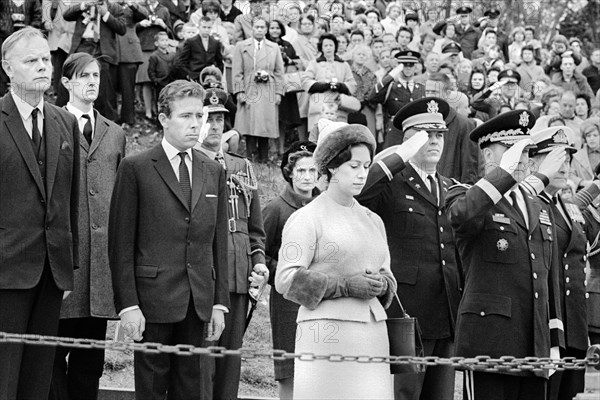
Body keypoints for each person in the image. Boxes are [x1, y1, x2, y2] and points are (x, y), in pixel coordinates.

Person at [108, 80, 229, 399]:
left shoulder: (212, 170)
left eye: (198, 116)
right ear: (163, 119)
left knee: (192, 389)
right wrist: (128, 305)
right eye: (185, 116)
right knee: (150, 390)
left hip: (198, 302)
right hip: (151, 302)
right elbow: (120, 243)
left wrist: (219, 301)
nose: (195, 124)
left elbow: (218, 242)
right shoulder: (136, 168)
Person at [445, 110, 566, 400]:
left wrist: (552, 340)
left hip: (532, 345)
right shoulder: (466, 194)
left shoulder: (536, 205)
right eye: (514, 151)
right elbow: (461, 217)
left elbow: (547, 278)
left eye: (526, 152)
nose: (523, 160)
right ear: (488, 156)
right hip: (490, 342)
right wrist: (504, 175)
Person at [275, 123, 397, 400]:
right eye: (354, 166)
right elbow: (286, 280)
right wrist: (344, 286)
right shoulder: (307, 218)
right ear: (331, 167)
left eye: (366, 166)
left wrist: (382, 284)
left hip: (373, 334)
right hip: (326, 336)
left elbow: (388, 274)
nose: (362, 174)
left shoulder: (372, 220)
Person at [357, 98, 461, 400]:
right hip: (405, 312)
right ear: (409, 140)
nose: (435, 141)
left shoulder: (448, 185)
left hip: (445, 311)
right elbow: (360, 194)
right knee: (404, 394)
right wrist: (397, 157)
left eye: (439, 134)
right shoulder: (392, 182)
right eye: (426, 135)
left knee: (440, 396)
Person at [0, 27, 80, 399]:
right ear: (7, 68)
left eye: (45, 59)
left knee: (38, 378)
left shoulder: (65, 122)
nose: (41, 67)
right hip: (5, 272)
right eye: (30, 60)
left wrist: (69, 265)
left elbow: (70, 197)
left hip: (51, 271)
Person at [49, 52, 126, 400]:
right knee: (49, 359)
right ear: (66, 83)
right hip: (63, 264)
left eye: (95, 75)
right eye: (83, 76)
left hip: (99, 270)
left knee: (89, 362)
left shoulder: (115, 134)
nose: (92, 82)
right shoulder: (51, 124)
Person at [194, 88, 268, 400]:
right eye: (209, 118)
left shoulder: (241, 167)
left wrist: (259, 262)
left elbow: (255, 228)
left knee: (230, 362)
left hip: (238, 276)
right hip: (204, 276)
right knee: (201, 361)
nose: (215, 125)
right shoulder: (190, 162)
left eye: (221, 118)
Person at [529, 125, 600, 400]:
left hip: (575, 324)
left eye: (567, 159)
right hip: (549, 324)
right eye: (555, 157)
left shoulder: (568, 207)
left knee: (573, 393)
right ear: (535, 162)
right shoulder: (531, 204)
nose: (564, 165)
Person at [263, 140, 320, 400]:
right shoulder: (276, 209)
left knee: (319, 367)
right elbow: (259, 251)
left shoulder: (326, 207)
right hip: (288, 300)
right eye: (301, 171)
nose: (307, 177)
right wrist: (287, 276)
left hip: (322, 298)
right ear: (289, 172)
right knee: (290, 369)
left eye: (312, 170)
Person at [63, 0, 127, 121]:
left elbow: (122, 29)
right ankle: (69, 120)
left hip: (102, 50)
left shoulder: (115, 8)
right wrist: (83, 5)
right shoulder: (84, 4)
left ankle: (105, 124)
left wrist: (105, 14)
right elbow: (66, 15)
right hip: (82, 46)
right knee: (75, 84)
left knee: (104, 90)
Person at [232, 15, 284, 163]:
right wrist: (239, 91)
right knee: (249, 124)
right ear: (252, 29)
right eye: (257, 27)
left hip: (268, 89)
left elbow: (280, 71)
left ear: (266, 29)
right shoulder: (242, 46)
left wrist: (279, 92)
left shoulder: (273, 47)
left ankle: (264, 158)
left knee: (265, 124)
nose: (259, 30)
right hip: (249, 88)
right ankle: (249, 157)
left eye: (262, 27)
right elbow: (237, 71)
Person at [369, 51, 425, 145]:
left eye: (411, 65)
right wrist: (392, 75)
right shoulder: (391, 87)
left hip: (415, 133)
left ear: (415, 67)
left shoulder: (421, 88)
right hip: (395, 133)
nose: (407, 68)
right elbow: (372, 96)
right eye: (404, 65)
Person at [302, 33, 356, 129]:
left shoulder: (343, 64)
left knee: (338, 135)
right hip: (319, 105)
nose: (328, 48)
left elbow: (352, 84)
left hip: (338, 106)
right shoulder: (314, 63)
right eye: (325, 45)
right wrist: (324, 86)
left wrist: (340, 86)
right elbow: (305, 81)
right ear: (321, 48)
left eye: (331, 45)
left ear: (335, 47)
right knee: (318, 136)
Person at [116, 0, 148, 127]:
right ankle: (111, 117)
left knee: (127, 88)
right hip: (111, 49)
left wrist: (132, 4)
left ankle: (128, 118)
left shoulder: (132, 6)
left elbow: (143, 14)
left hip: (129, 52)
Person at [570, 117, 600, 190]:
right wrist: (582, 182)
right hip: (584, 195)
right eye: (588, 136)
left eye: (595, 135)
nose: (592, 138)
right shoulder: (577, 156)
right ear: (585, 138)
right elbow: (570, 175)